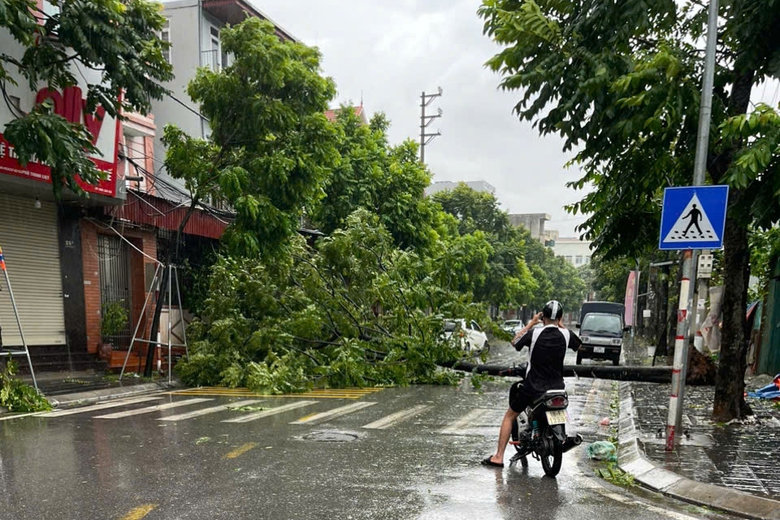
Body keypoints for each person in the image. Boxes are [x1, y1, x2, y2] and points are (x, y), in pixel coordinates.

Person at [481, 300, 582, 468]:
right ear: (560, 317)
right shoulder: (566, 334)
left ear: (543, 316)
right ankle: (560, 437)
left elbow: (515, 342)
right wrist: (561, 325)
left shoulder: (534, 334)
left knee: (509, 416)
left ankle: (498, 456)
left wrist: (531, 324)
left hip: (533, 388)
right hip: (557, 389)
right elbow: (580, 347)